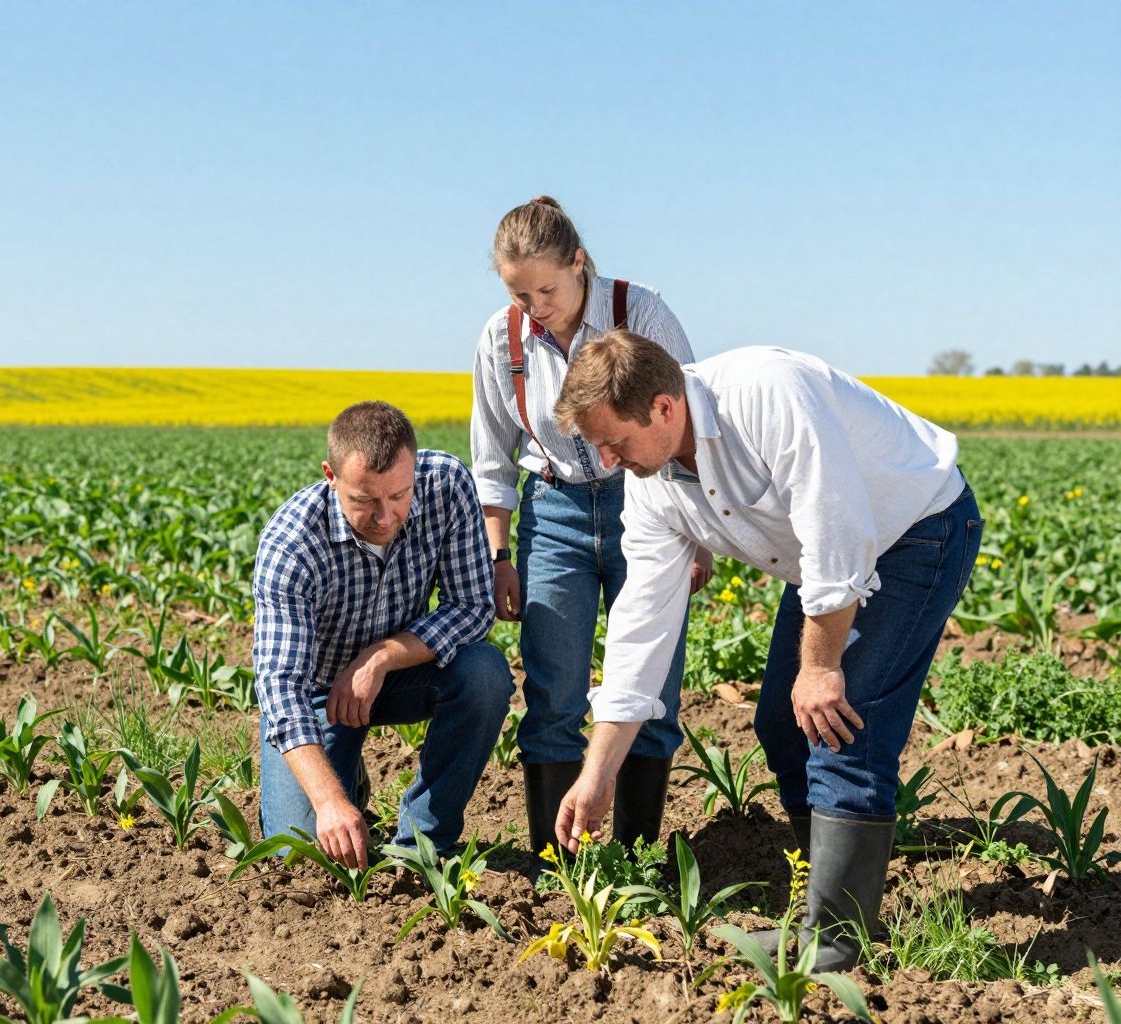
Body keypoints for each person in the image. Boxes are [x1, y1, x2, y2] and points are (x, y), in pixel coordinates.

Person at [550, 333, 983, 970]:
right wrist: (598, 772)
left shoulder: (767, 393)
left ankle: (838, 941)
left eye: (615, 441)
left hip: (915, 530)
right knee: (782, 723)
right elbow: (640, 625)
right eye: (598, 447)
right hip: (827, 558)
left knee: (841, 727)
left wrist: (821, 666)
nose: (609, 461)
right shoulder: (651, 480)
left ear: (665, 408)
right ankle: (828, 905)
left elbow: (837, 528)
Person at [470, 196, 710, 863]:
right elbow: (491, 457)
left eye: (547, 288)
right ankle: (559, 865)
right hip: (554, 513)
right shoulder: (501, 339)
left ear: (579, 263)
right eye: (519, 293)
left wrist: (698, 535)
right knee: (553, 688)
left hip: (647, 502)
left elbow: (684, 421)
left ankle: (635, 858)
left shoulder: (643, 312)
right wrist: (498, 555)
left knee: (653, 681)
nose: (535, 305)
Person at [254, 400, 514, 868]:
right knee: (302, 856)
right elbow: (280, 686)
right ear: (330, 477)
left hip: (403, 673)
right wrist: (329, 801)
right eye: (364, 500)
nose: (385, 516)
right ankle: (345, 779)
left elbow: (472, 608)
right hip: (319, 694)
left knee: (485, 673)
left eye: (399, 495)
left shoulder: (446, 486)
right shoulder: (292, 542)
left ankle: (423, 842)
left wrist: (380, 657)